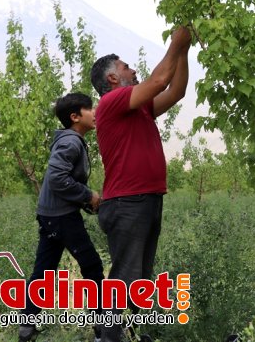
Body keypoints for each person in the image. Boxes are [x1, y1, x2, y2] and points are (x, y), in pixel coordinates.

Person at [90, 26, 191, 342]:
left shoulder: (137, 107)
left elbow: (175, 92)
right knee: (124, 280)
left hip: (144, 200)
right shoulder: (112, 102)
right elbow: (160, 80)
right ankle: (107, 337)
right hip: (127, 203)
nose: (133, 69)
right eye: (125, 67)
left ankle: (122, 334)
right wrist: (178, 40)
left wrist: (184, 50)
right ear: (112, 79)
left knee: (136, 282)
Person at [19, 93, 104, 342]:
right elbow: (57, 179)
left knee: (43, 272)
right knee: (92, 266)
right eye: (90, 108)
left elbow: (63, 181)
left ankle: (26, 327)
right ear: (75, 117)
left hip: (50, 215)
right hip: (61, 218)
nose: (95, 111)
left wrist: (87, 201)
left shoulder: (70, 140)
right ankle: (104, 329)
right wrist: (88, 195)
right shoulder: (72, 142)